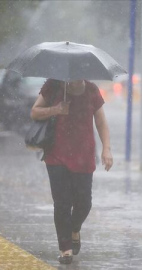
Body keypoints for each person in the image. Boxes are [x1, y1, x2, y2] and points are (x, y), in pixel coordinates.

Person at [30, 79, 113, 264]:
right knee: (62, 203)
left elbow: (100, 122)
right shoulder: (53, 86)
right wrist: (56, 109)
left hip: (84, 155)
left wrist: (106, 148)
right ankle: (65, 248)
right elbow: (34, 112)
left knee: (84, 203)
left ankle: (74, 229)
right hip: (56, 154)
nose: (77, 77)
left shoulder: (91, 90)